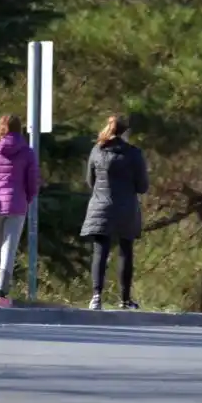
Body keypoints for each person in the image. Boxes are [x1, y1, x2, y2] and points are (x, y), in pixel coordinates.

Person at [80, 114, 149, 311]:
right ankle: (125, 300)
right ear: (126, 132)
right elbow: (142, 186)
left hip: (100, 205)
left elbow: (90, 181)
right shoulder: (134, 154)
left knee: (100, 251)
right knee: (125, 251)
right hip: (126, 206)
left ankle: (96, 297)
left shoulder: (97, 150)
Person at [0, 114, 40, 308]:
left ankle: (0, 290)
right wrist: (27, 197)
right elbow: (33, 180)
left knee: (0, 247)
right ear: (19, 129)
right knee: (9, 248)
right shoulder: (27, 152)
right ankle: (2, 294)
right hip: (17, 204)